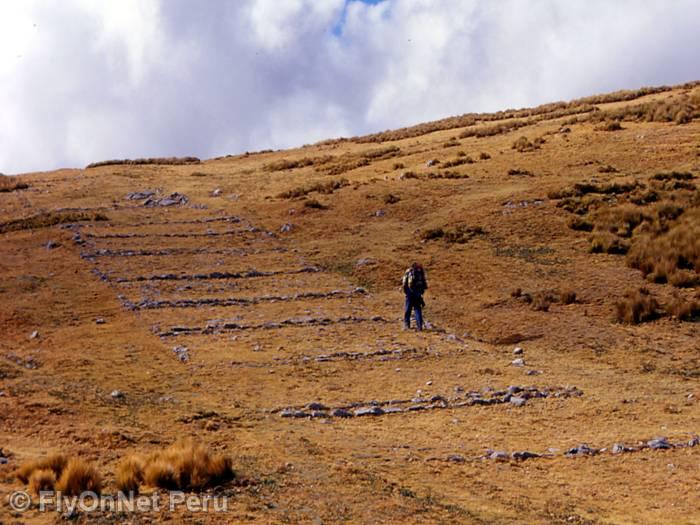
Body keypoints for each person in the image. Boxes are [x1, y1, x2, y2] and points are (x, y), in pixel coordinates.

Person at [402, 262, 428, 331]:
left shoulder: (409, 271)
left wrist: (406, 291)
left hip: (410, 292)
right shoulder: (421, 272)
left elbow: (404, 282)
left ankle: (407, 325)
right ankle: (419, 326)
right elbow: (425, 285)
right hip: (418, 293)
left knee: (408, 309)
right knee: (417, 309)